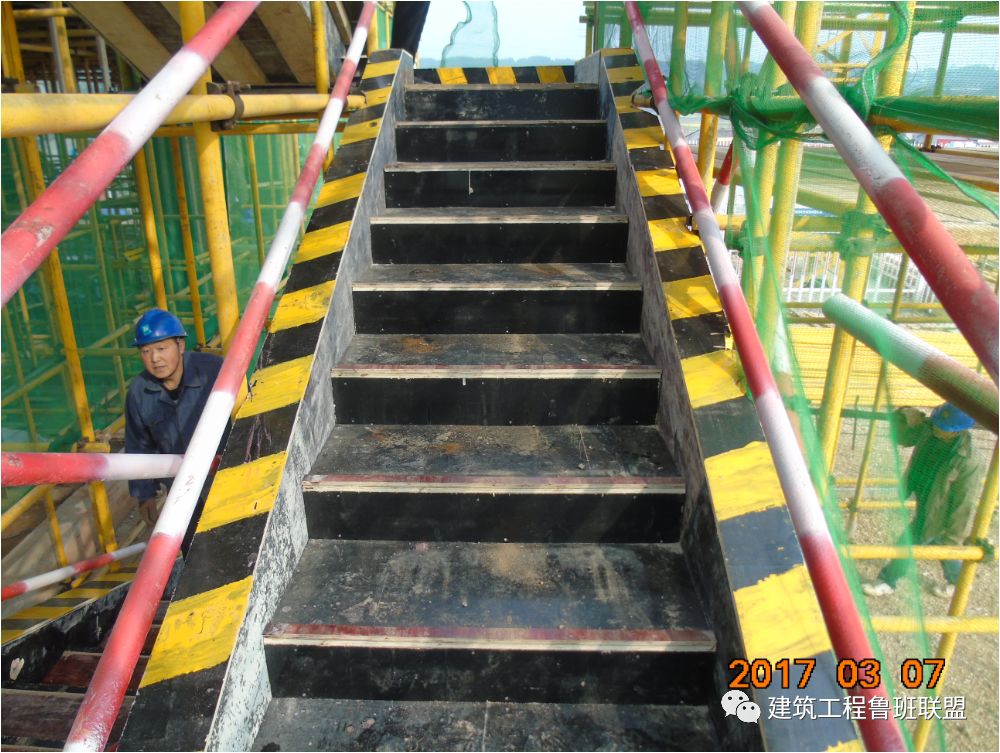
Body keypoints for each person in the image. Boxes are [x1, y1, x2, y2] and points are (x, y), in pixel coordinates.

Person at [862, 403, 984, 599]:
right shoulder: (930, 429)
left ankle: (888, 581)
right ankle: (960, 582)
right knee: (940, 544)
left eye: (943, 428)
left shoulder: (969, 460)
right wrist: (903, 415)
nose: (937, 428)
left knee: (909, 542)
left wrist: (955, 538)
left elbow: (965, 503)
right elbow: (903, 438)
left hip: (939, 511)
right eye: (937, 423)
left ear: (959, 431)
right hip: (924, 496)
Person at [125, 309, 224, 542]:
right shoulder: (139, 393)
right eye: (146, 351)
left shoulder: (214, 371)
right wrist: (145, 495)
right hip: (182, 493)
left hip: (226, 480)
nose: (155, 359)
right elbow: (139, 445)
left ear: (180, 345)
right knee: (195, 551)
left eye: (161, 348)